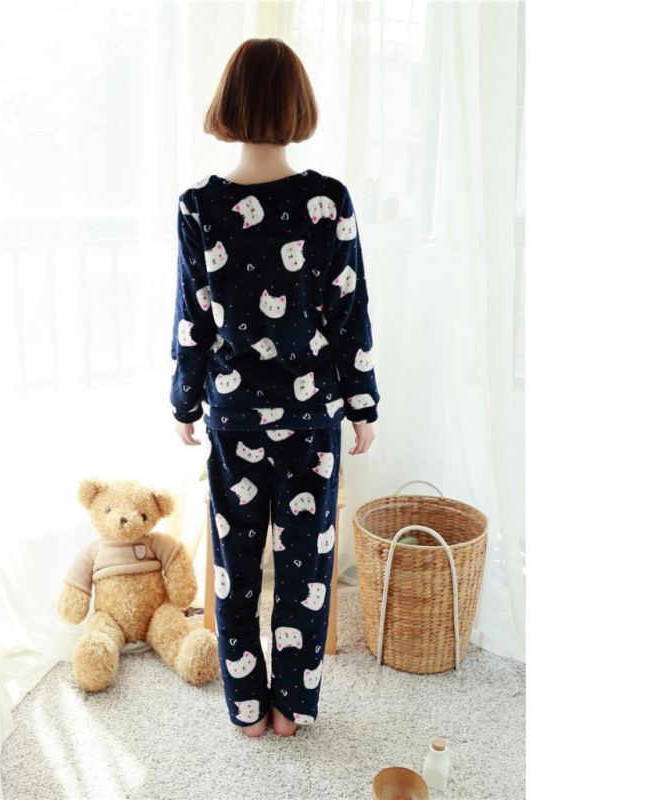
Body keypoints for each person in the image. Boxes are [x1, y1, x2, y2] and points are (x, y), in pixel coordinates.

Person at [168, 38, 380, 738]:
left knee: (235, 568)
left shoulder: (200, 207)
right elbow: (349, 313)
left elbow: (193, 318)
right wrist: (363, 404)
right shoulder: (327, 201)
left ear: (228, 104)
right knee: (305, 569)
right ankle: (292, 706)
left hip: (233, 418)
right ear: (297, 105)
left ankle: (249, 710)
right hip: (312, 419)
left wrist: (184, 401)